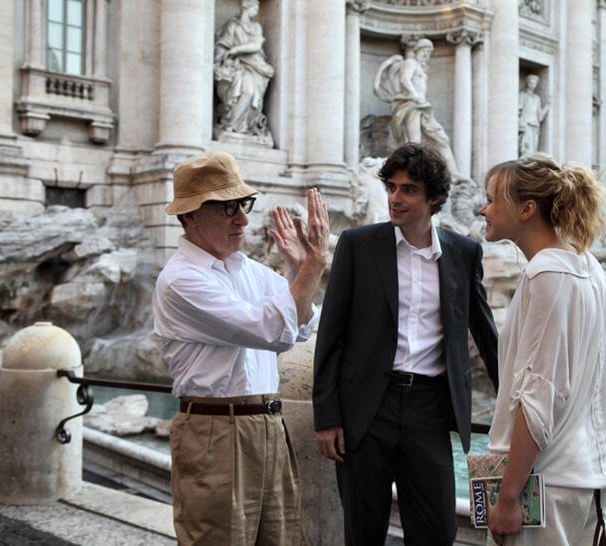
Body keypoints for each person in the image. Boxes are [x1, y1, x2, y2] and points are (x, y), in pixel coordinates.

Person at [313, 143, 499, 546]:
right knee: (363, 533)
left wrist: (514, 402)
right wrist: (326, 415)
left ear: (434, 198)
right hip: (365, 410)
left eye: (409, 190)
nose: (395, 198)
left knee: (436, 532)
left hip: (430, 410)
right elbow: (331, 334)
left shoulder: (463, 252)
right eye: (392, 188)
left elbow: (485, 334)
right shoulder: (357, 245)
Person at [152, 151, 329, 545]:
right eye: (228, 208)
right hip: (215, 428)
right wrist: (312, 266)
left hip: (268, 421)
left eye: (244, 205)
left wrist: (298, 272)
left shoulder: (247, 269)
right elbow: (272, 330)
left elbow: (303, 326)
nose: (243, 219)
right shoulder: (181, 280)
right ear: (190, 215)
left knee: (279, 539)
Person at [478, 154, 606, 545]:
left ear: (526, 209)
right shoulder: (587, 265)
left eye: (492, 199)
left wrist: (507, 497)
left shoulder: (548, 273)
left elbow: (539, 398)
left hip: (542, 484)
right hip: (582, 477)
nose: (482, 208)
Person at [373, 38, 461, 177]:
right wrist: (415, 96)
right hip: (411, 105)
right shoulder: (411, 63)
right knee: (414, 143)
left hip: (422, 107)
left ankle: (454, 173)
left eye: (429, 52)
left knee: (442, 139)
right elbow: (404, 79)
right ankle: (413, 174)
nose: (426, 55)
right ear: (417, 51)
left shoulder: (420, 67)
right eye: (424, 51)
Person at [213, 0, 275, 138]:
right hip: (237, 66)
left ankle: (240, 125)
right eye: (255, 7)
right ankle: (231, 124)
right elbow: (222, 45)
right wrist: (224, 57)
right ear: (247, 7)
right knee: (246, 92)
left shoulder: (256, 27)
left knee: (250, 92)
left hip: (255, 65)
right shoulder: (232, 26)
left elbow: (256, 46)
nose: (257, 11)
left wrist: (235, 49)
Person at [517, 75, 549, 158]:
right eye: (531, 83)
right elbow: (518, 109)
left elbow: (540, 115)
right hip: (525, 123)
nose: (532, 85)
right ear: (527, 83)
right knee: (525, 147)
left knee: (533, 149)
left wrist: (548, 105)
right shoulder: (522, 95)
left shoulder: (537, 98)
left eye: (534, 83)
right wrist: (519, 121)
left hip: (534, 125)